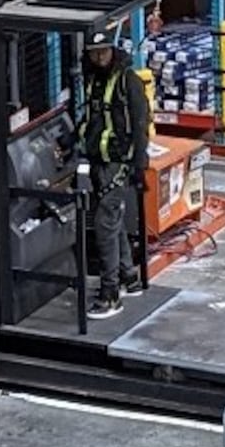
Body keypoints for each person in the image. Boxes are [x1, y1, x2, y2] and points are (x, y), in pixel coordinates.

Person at [73, 37, 154, 316]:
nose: (99, 58)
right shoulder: (93, 80)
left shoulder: (127, 81)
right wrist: (70, 141)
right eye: (94, 53)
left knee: (104, 225)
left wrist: (139, 166)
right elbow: (91, 118)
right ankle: (128, 276)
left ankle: (110, 294)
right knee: (113, 223)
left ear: (113, 51)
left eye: (103, 52)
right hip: (99, 161)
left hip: (119, 163)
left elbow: (141, 122)